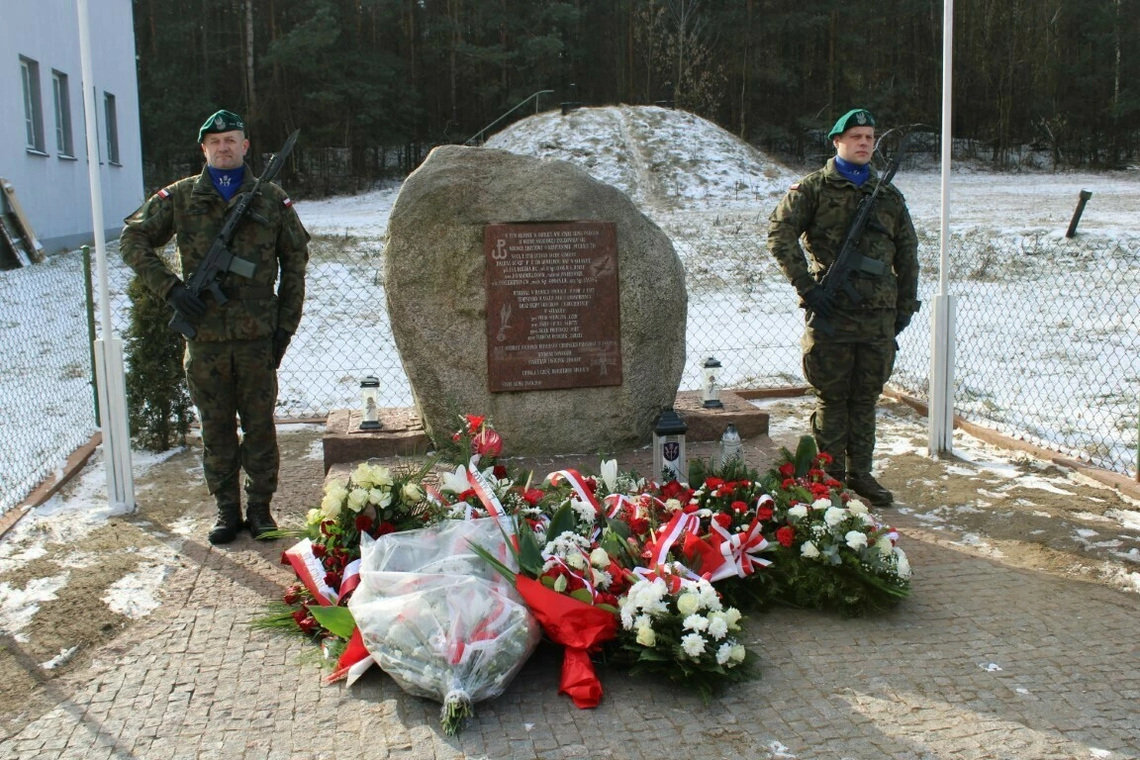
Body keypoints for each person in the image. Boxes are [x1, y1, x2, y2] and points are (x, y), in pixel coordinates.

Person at [120, 109, 310, 543]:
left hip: (256, 336)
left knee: (260, 425)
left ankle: (261, 509)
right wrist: (170, 289)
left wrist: (285, 326)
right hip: (204, 337)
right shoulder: (181, 197)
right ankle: (227, 511)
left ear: (246, 147)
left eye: (232, 140)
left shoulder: (270, 199)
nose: (224, 147)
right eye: (215, 141)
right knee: (215, 427)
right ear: (203, 149)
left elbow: (295, 261)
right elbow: (132, 239)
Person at [767, 108, 919, 507]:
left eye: (870, 137)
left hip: (877, 317)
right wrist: (807, 288)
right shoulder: (815, 189)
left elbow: (908, 252)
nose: (865, 143)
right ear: (837, 142)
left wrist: (905, 306)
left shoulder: (887, 195)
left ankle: (861, 474)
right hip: (832, 311)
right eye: (856, 137)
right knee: (832, 398)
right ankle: (830, 480)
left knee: (866, 398)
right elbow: (780, 234)